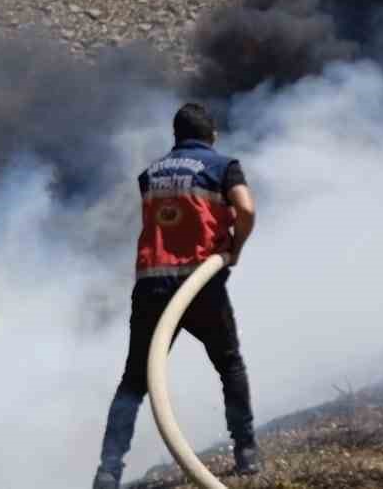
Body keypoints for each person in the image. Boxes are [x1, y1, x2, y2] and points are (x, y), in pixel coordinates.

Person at [92, 102, 260, 489]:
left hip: (152, 284)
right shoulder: (222, 166)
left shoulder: (150, 174)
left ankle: (108, 471)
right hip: (199, 282)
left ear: (176, 137)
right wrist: (235, 245)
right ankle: (246, 452)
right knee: (229, 365)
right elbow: (246, 208)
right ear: (211, 135)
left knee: (135, 382)